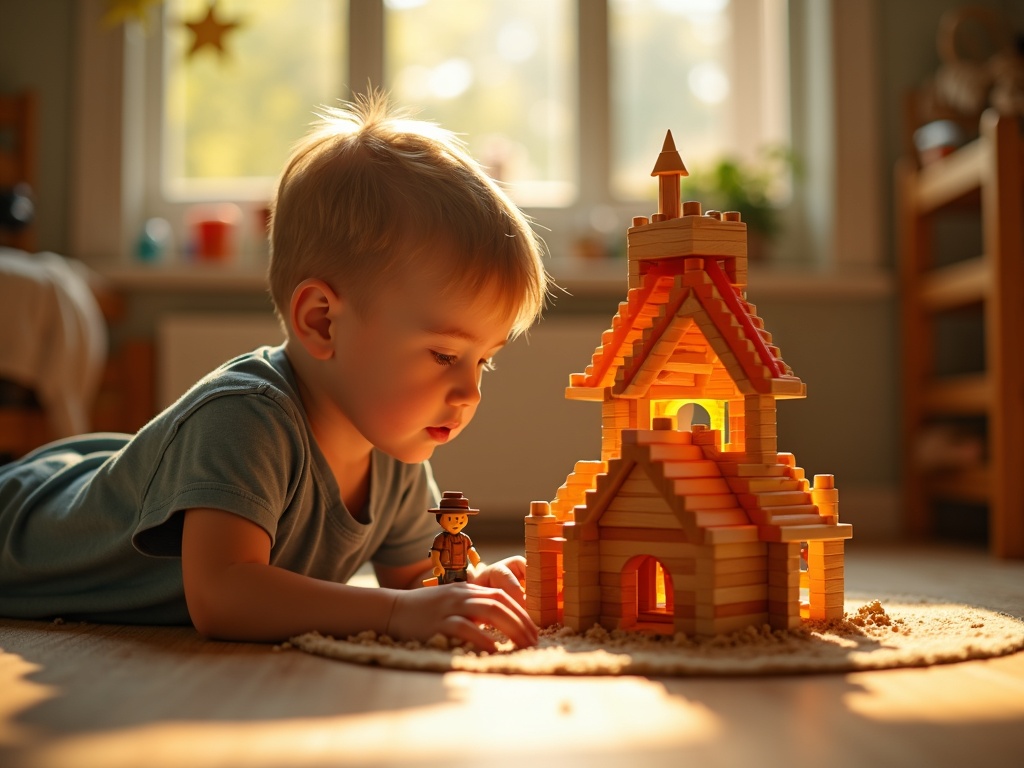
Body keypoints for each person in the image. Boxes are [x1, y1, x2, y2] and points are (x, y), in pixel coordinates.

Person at [0, 93, 550, 652]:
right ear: (322, 322)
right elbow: (223, 596)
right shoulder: (245, 418)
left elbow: (412, 582)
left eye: (484, 361)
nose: (470, 392)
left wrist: (466, 590)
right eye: (443, 355)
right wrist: (392, 613)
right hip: (17, 523)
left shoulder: (395, 450)